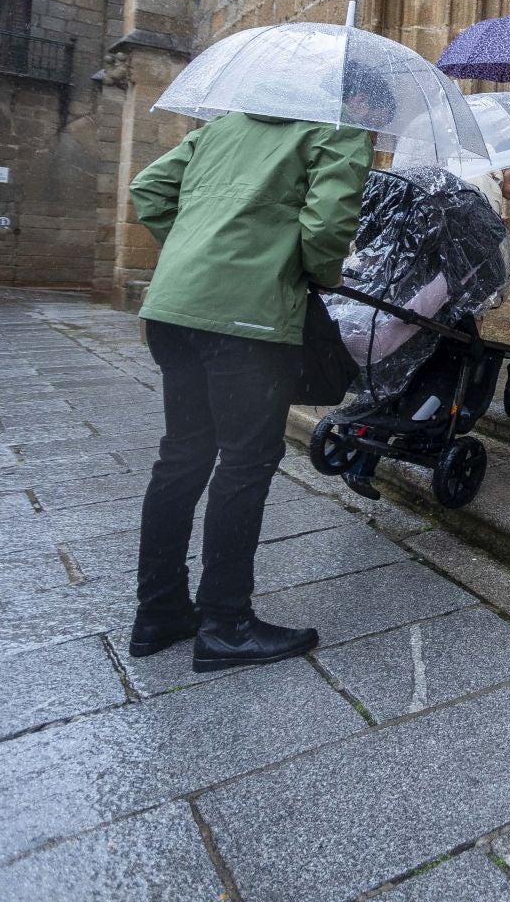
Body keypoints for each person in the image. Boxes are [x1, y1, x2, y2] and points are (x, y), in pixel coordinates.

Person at [127, 106, 372, 671]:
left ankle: (159, 611)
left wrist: (199, 244)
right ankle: (226, 623)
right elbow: (328, 225)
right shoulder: (337, 130)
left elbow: (150, 190)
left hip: (174, 306)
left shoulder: (220, 128)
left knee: (182, 456)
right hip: (250, 320)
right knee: (244, 462)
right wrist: (302, 271)